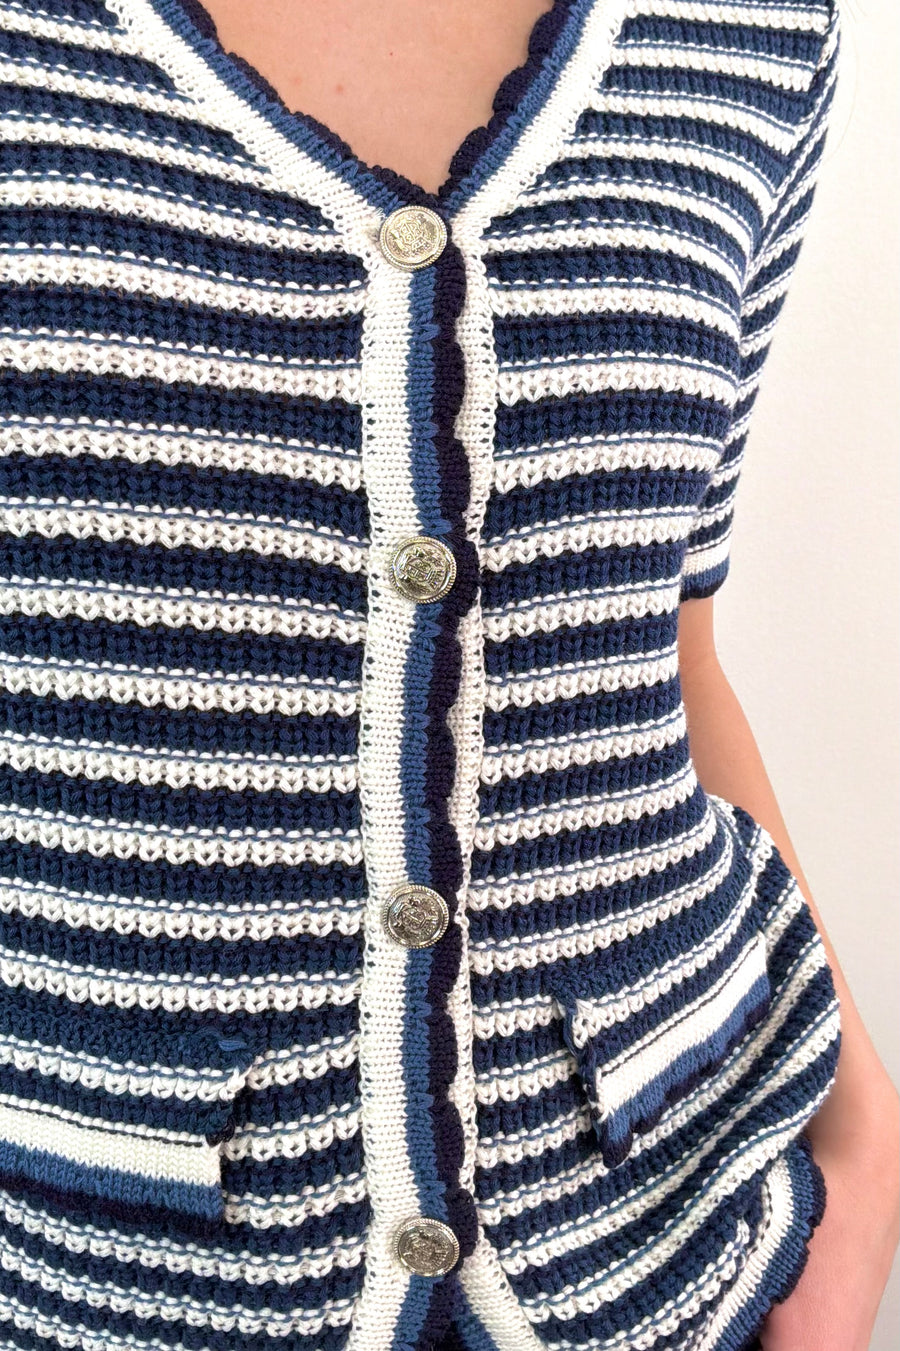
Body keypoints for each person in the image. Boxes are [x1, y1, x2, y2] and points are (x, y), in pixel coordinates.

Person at [0, 1, 896, 1350]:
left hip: (670, 1240)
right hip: (103, 1257)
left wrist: (869, 1148)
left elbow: (665, 648)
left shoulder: (750, 34)